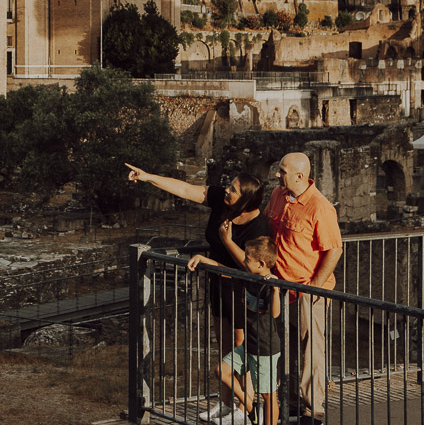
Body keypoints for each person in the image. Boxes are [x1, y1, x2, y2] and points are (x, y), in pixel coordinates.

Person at [126, 163, 268, 423]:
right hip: (219, 286)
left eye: (233, 189)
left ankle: (245, 409)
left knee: (240, 355)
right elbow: (185, 189)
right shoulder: (223, 201)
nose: (226, 190)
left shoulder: (259, 227)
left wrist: (226, 241)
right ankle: (225, 405)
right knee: (224, 349)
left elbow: (249, 267)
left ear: (246, 199)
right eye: (229, 185)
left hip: (243, 292)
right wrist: (148, 176)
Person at [266, 152, 343, 425]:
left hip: (308, 291)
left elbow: (334, 250)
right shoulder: (277, 195)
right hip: (281, 288)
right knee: (284, 348)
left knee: (311, 350)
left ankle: (313, 410)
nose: (277, 175)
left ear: (299, 176)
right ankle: (292, 402)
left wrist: (315, 287)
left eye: (282, 170)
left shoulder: (320, 207)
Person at [189, 237, 281, 425]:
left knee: (268, 395)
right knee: (221, 371)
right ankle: (250, 407)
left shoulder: (268, 285)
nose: (244, 261)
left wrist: (276, 290)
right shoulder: (248, 277)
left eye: (247, 258)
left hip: (265, 348)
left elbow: (275, 312)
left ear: (261, 263)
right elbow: (223, 269)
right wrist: (201, 258)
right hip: (248, 344)